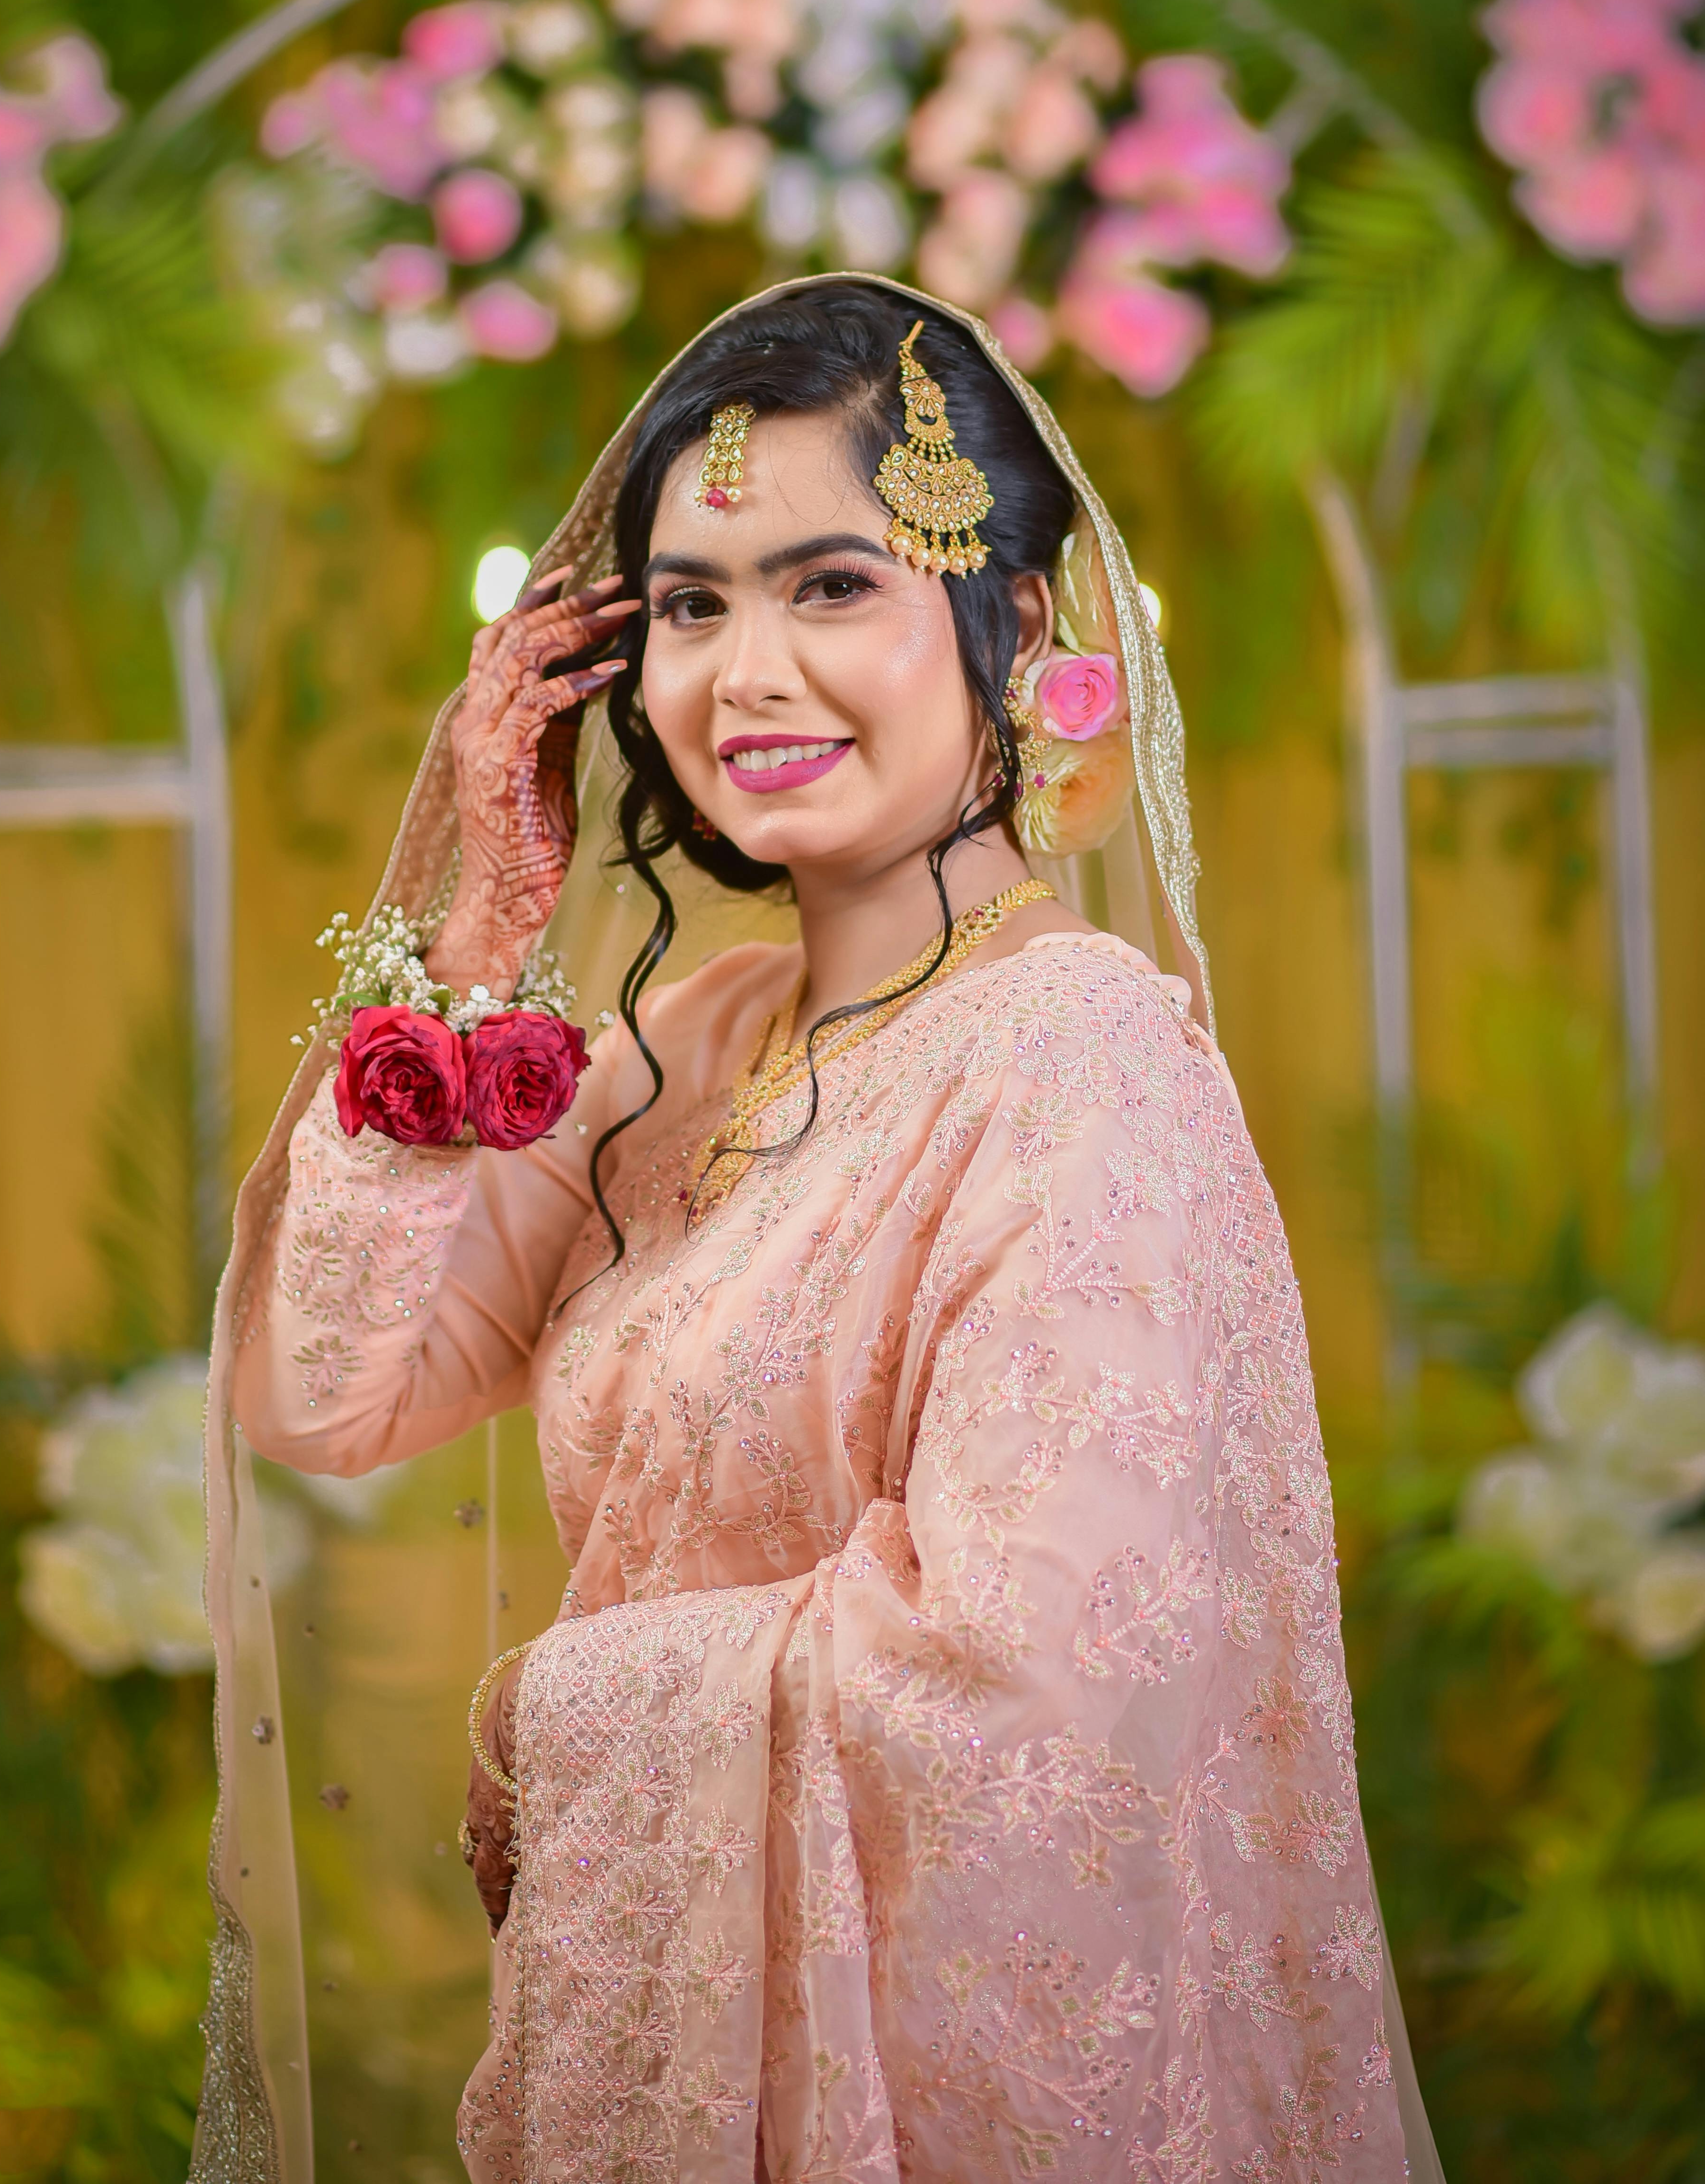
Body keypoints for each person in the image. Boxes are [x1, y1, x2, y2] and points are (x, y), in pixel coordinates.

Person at [197, 276, 1441, 2183]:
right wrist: (470, 940)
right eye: (691, 604)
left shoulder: (1077, 1060)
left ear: (1007, 621)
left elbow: (1037, 1708)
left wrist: (566, 1696)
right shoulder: (680, 1051)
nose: (742, 677)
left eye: (829, 586)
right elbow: (314, 1389)